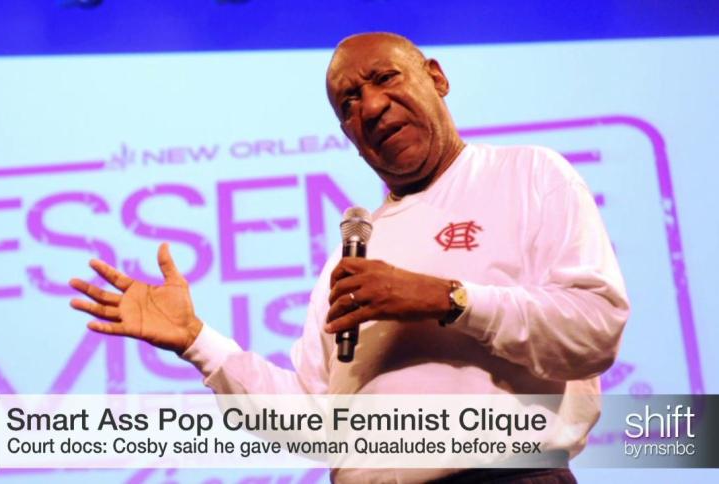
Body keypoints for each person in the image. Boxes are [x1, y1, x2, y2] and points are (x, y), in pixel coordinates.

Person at [68, 32, 629, 483]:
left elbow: (595, 328)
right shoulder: (351, 257)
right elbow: (315, 421)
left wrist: (449, 299)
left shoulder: (527, 174)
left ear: (436, 77)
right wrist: (197, 341)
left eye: (385, 78)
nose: (373, 106)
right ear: (348, 133)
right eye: (349, 103)